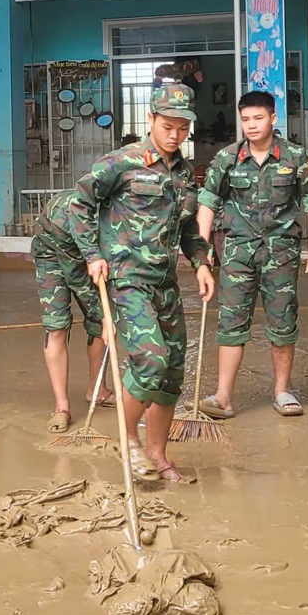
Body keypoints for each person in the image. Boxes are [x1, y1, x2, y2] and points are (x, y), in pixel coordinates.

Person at [71, 81, 216, 486]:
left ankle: (157, 454)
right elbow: (79, 203)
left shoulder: (184, 173)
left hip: (164, 282)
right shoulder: (122, 162)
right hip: (126, 279)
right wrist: (92, 254)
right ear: (150, 119)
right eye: (167, 126)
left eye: (182, 129)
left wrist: (202, 263)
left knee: (172, 372)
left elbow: (187, 228)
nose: (175, 135)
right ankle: (124, 435)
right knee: (150, 359)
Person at [196, 89, 308, 420]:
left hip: (280, 253)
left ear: (272, 118)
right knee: (230, 323)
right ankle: (223, 397)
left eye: (257, 118)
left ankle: (282, 392)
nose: (251, 126)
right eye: (245, 120)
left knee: (283, 322)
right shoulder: (227, 158)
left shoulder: (297, 157)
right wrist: (202, 250)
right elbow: (208, 201)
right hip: (238, 253)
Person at [31, 186, 108, 431]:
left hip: (87, 254)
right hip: (51, 254)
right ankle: (61, 407)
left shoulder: (117, 211)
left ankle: (98, 390)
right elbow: (76, 275)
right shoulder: (65, 215)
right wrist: (103, 312)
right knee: (57, 326)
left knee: (100, 324)